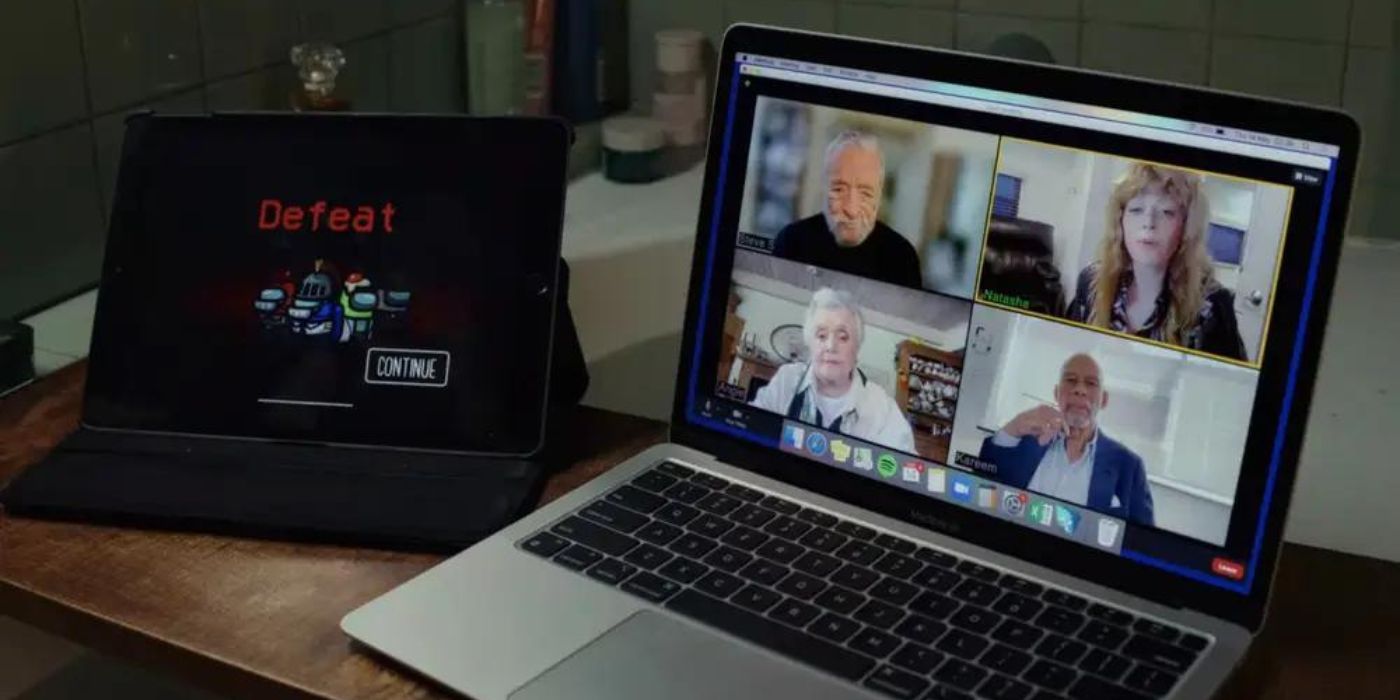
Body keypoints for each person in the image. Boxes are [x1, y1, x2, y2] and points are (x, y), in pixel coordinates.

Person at [1066, 162, 1246, 360]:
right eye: (1136, 210)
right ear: (1120, 221)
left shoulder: (1212, 304)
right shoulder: (1092, 281)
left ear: (1186, 227)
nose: (1149, 223)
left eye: (1166, 212)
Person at [978, 353, 1154, 526]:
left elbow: (1143, 543)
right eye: (1070, 380)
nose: (1080, 389)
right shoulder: (1023, 439)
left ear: (1104, 400)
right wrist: (1012, 428)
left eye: (1091, 383)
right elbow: (980, 494)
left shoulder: (1130, 467)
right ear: (1056, 393)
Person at [751, 287, 915, 452]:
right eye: (821, 336)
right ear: (810, 343)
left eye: (843, 337)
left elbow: (905, 465)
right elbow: (752, 428)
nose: (830, 346)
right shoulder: (787, 378)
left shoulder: (882, 406)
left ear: (857, 347)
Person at [771, 131, 923, 289]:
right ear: (824, 187)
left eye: (866, 193)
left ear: (879, 195)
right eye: (838, 189)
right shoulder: (791, 242)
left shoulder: (902, 258)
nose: (851, 210)